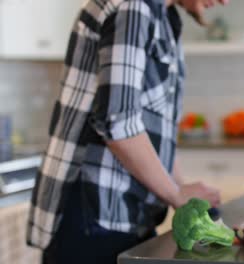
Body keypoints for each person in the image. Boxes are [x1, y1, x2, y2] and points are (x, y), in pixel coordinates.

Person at [27, 0, 229, 263]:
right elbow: (118, 123)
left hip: (128, 215)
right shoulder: (132, 6)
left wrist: (181, 189)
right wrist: (176, 195)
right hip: (94, 216)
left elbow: (155, 130)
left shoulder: (165, 18)